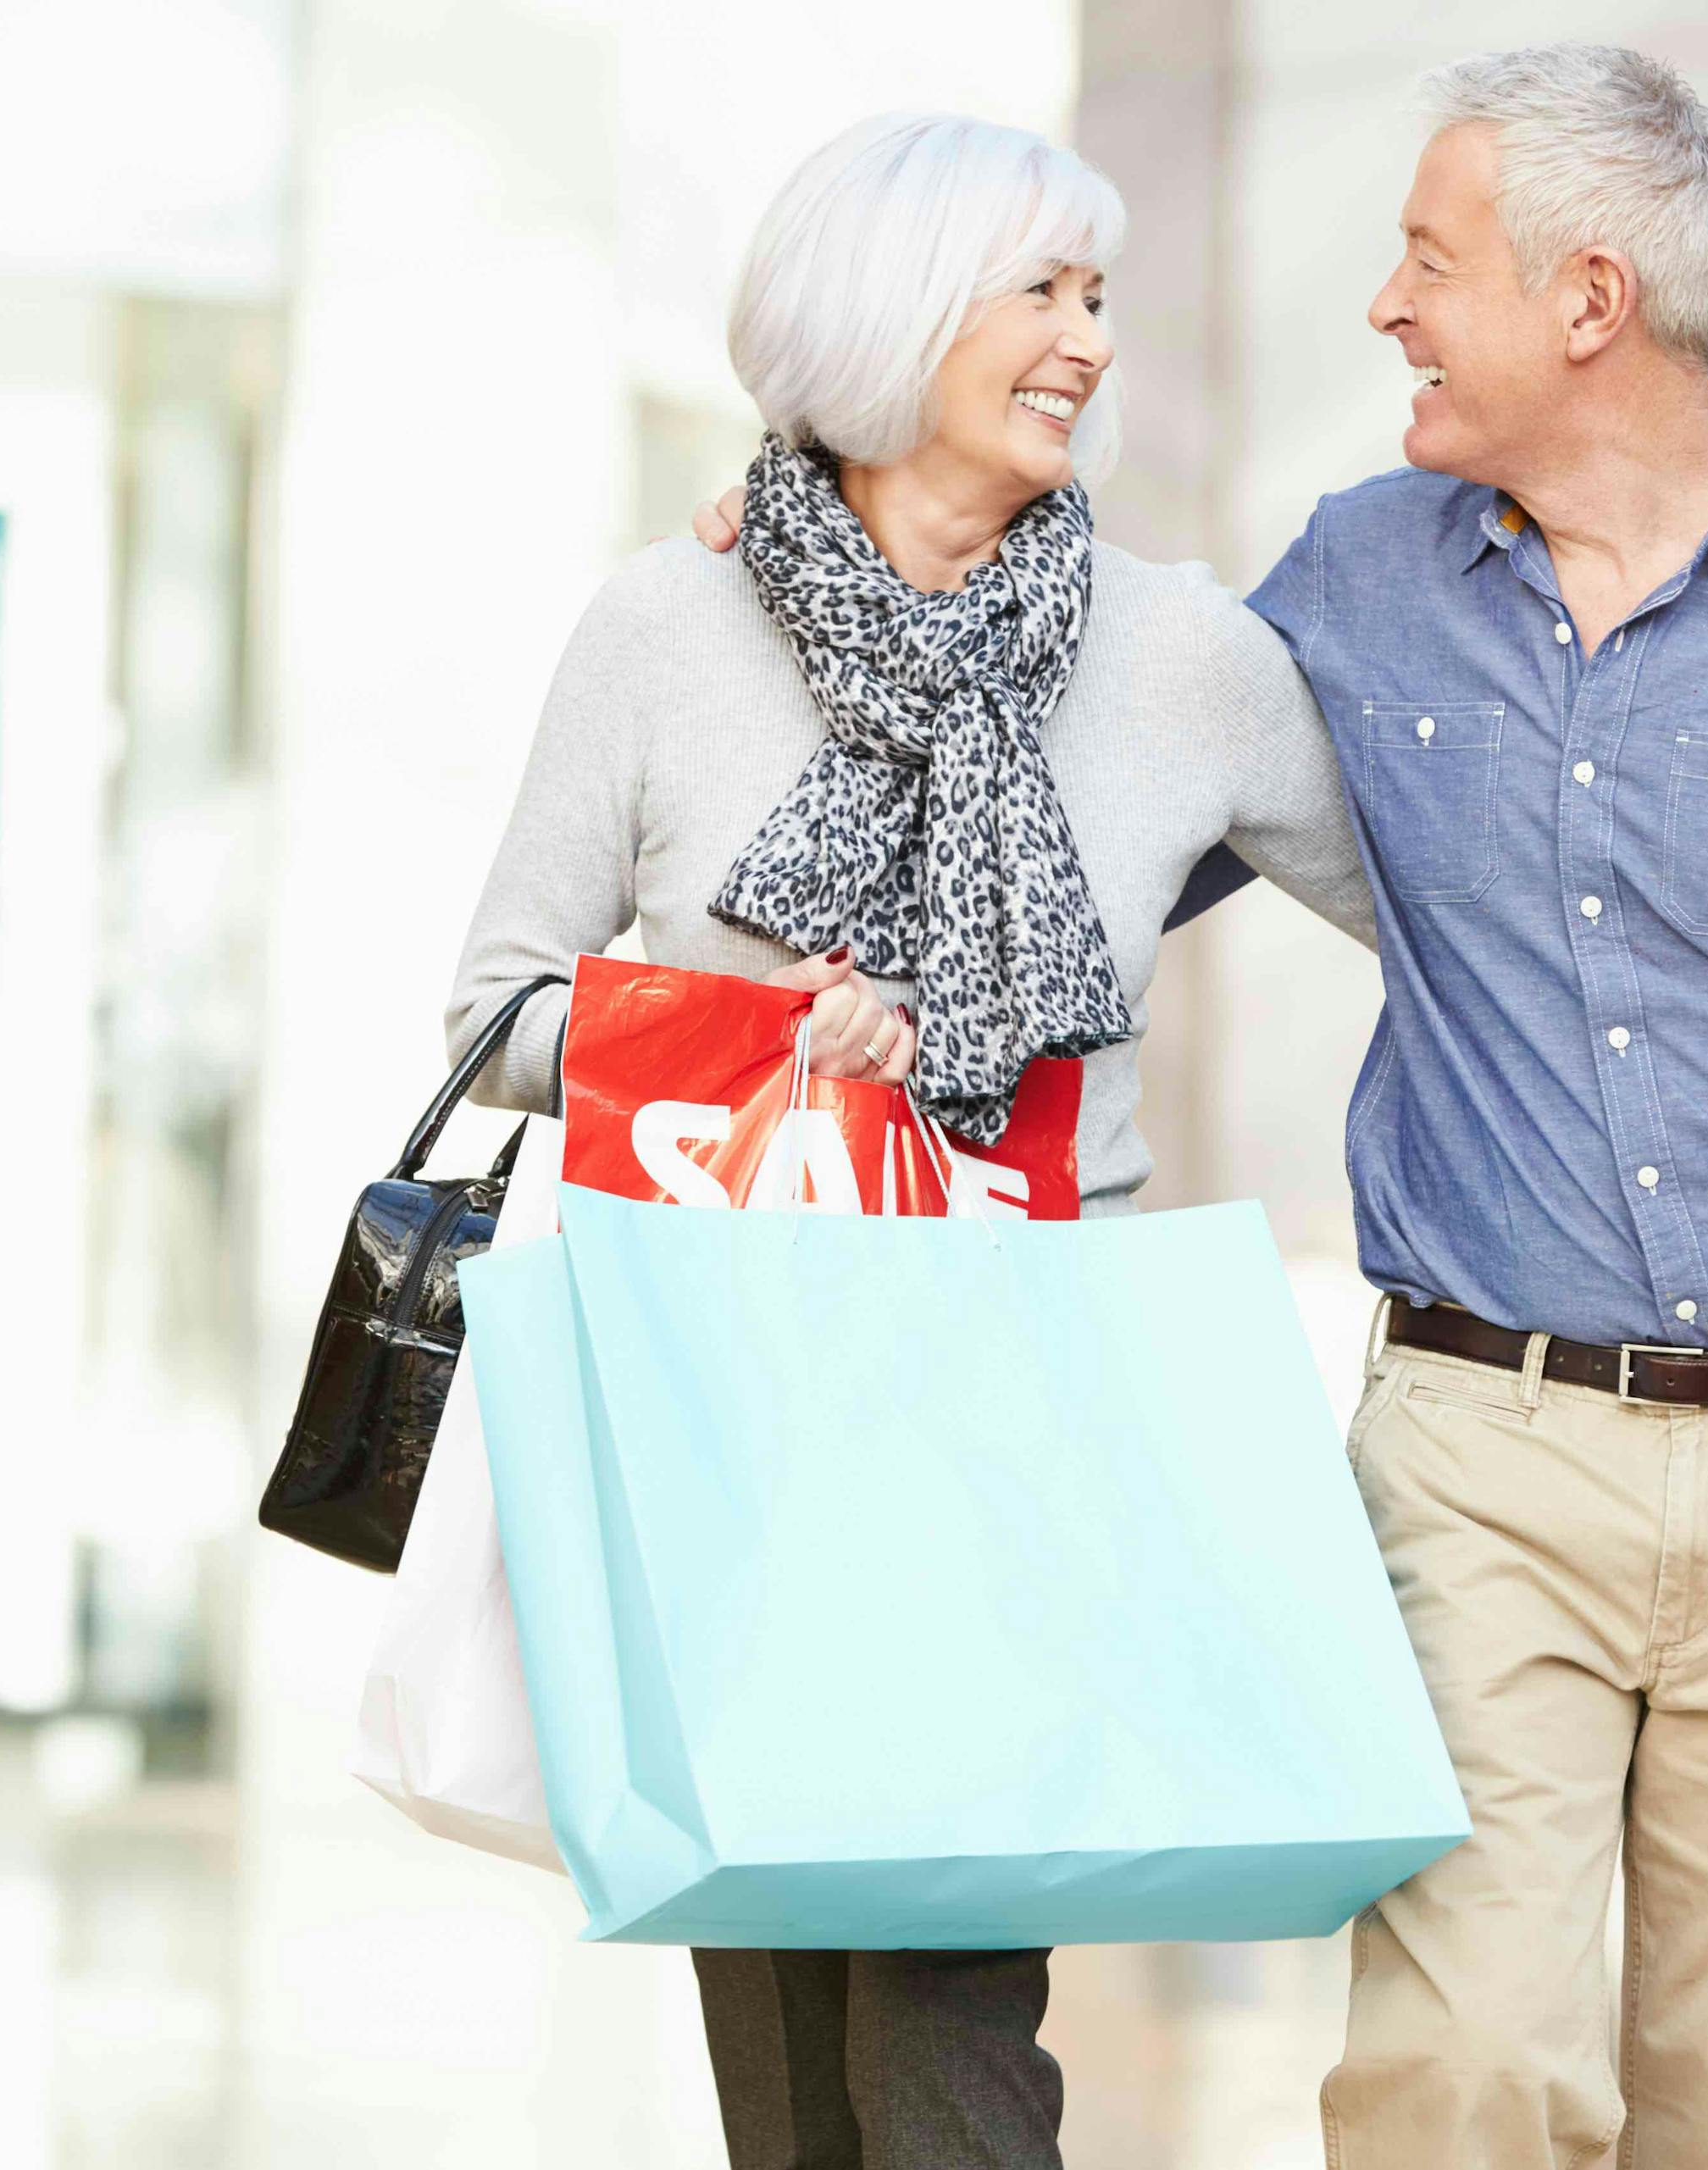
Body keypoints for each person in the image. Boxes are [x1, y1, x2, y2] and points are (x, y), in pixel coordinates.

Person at [704, 47, 1708, 2168]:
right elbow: (1085, 803)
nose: (1382, 305)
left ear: (1588, 300)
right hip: (1482, 1452)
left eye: (1425, 260)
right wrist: (816, 549)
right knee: (1455, 2074)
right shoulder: (1358, 583)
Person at [444, 114, 1373, 2170]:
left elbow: (1449, 911)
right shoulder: (662, 629)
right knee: (785, 2078)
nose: (1085, 341)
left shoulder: (1182, 657)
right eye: (1036, 290)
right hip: (728, 1429)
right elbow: (493, 1008)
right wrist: (757, 1045)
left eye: (1099, 296)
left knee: (955, 2053)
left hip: (1013, 1425)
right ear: (882, 318)